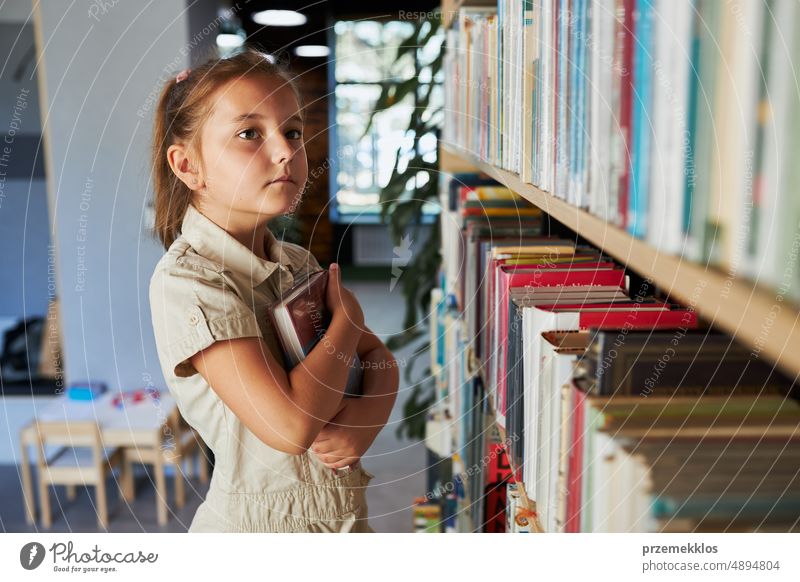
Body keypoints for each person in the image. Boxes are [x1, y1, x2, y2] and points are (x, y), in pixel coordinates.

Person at [147, 48, 399, 533]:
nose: (285, 150)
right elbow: (291, 426)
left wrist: (366, 419)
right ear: (187, 166)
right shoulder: (188, 283)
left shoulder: (297, 262)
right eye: (249, 134)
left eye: (293, 131)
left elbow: (380, 359)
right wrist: (344, 322)